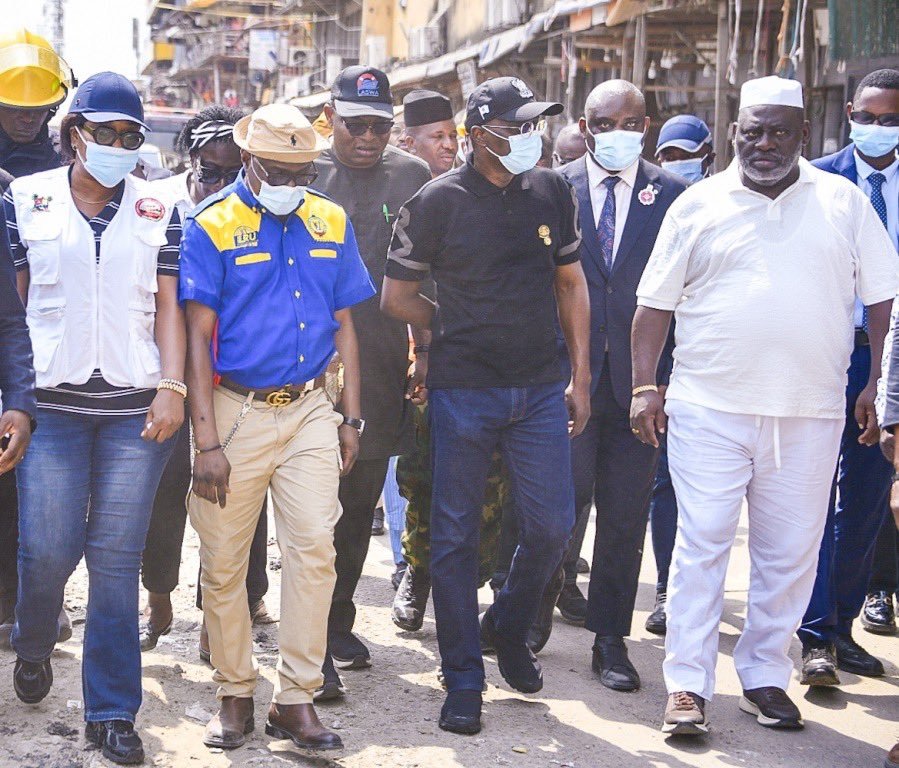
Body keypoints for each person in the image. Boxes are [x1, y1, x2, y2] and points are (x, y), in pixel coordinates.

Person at [630, 75, 897, 737]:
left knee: (789, 555)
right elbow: (652, 305)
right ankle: (687, 687)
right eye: (753, 131)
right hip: (707, 407)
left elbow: (882, 297)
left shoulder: (841, 201)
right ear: (733, 133)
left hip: (809, 411)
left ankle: (763, 677)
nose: (765, 144)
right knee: (702, 547)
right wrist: (643, 385)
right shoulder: (697, 204)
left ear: (802, 135)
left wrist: (875, 385)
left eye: (779, 131)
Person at [382, 75, 590, 735]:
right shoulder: (435, 203)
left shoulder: (551, 190)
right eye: (515, 127)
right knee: (453, 535)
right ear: (478, 135)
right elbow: (396, 297)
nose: (528, 139)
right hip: (462, 390)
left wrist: (579, 375)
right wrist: (447, 329)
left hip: (536, 389)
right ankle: (463, 677)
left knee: (551, 526)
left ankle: (502, 622)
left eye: (534, 127)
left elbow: (570, 283)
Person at [180, 103, 374, 752]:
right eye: (282, 168)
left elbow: (346, 323)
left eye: (304, 168)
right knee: (225, 563)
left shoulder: (330, 218)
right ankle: (234, 693)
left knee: (314, 549)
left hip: (311, 411)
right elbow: (198, 337)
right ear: (252, 163)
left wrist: (350, 414)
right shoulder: (213, 225)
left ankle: (295, 699)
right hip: (234, 414)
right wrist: (205, 441)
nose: (296, 178)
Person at [6, 71, 185, 764]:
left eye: (129, 135)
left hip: (133, 412)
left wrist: (171, 385)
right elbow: (10, 311)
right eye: (103, 132)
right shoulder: (27, 200)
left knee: (115, 561)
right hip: (50, 406)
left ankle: (111, 710)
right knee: (46, 548)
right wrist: (12, 399)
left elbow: (169, 303)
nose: (116, 145)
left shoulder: (160, 206)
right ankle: (33, 637)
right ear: (73, 132)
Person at [557, 81, 686, 691]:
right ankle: (532, 614)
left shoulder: (676, 196)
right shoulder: (554, 188)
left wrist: (661, 380)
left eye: (631, 122)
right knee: (558, 504)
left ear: (648, 126)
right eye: (605, 124)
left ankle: (610, 638)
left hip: (641, 386)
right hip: (568, 379)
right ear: (586, 128)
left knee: (626, 512)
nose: (619, 134)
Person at [138, 105, 275, 657]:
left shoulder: (260, 209)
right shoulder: (159, 205)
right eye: (208, 171)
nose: (218, 182)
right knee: (166, 489)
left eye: (231, 170)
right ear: (189, 162)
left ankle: (223, 607)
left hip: (236, 377)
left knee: (236, 492)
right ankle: (160, 594)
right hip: (168, 373)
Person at [315, 66, 430, 684]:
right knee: (308, 499)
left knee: (359, 500)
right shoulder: (302, 170)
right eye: (355, 125)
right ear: (330, 119)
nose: (366, 137)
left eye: (379, 127)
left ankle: (337, 620)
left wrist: (425, 352)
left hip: (383, 364)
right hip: (308, 359)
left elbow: (431, 267)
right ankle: (300, 624)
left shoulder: (413, 176)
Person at [798, 68, 899, 683]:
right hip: (823, 349)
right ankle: (814, 635)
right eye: (868, 115)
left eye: (891, 119)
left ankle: (841, 621)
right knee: (810, 494)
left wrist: (882, 378)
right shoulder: (815, 181)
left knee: (865, 499)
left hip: (889, 356)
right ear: (849, 115)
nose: (877, 127)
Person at [0, 26, 71, 648]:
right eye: (12, 108)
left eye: (35, 109)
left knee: (44, 494)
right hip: (8, 326)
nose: (24, 119)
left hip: (50, 340)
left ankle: (42, 599)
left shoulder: (63, 163)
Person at [644, 113, 715, 637]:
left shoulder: (726, 204)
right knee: (666, 483)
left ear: (708, 155)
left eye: (687, 155)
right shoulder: (659, 205)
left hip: (720, 368)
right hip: (670, 369)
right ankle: (668, 588)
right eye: (668, 157)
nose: (677, 166)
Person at [399, 90, 458, 177]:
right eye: (439, 136)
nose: (449, 146)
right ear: (411, 143)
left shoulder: (466, 187)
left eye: (453, 136)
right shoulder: (398, 188)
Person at [654, 114, 715, 183]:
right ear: (659, 161)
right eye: (669, 158)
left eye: (689, 156)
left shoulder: (722, 192)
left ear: (710, 158)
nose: (678, 163)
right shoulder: (651, 192)